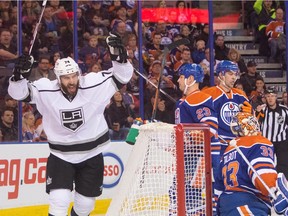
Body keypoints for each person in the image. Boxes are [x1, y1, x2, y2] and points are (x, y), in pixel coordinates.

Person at [7, 33, 133, 216]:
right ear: (58, 78)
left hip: (92, 154)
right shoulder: (46, 89)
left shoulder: (92, 84)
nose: (72, 81)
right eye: (66, 78)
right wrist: (18, 77)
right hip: (61, 155)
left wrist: (120, 59)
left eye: (74, 76)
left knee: (85, 206)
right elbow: (18, 94)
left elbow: (122, 77)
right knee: (59, 201)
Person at [170, 63, 221, 214]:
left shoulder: (198, 98)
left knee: (190, 199)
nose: (178, 80)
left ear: (190, 78)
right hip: (191, 158)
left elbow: (210, 128)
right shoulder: (185, 101)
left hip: (200, 159)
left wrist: (186, 138)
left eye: (180, 77)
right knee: (179, 196)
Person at [215, 112, 277, 215]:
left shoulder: (227, 151)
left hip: (226, 204)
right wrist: (275, 194)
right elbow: (264, 177)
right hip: (248, 204)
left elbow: (218, 186)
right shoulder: (258, 141)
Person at [202, 60, 250, 156]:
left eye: (235, 74)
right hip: (217, 145)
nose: (233, 77)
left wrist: (250, 115)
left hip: (238, 143)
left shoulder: (241, 95)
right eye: (230, 74)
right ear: (221, 75)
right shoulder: (208, 94)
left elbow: (249, 123)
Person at [256, 86, 288, 178]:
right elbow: (256, 124)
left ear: (276, 97)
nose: (270, 98)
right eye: (268, 96)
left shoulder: (284, 110)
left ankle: (284, 185)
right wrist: (257, 113)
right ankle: (266, 184)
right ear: (265, 97)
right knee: (265, 164)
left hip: (282, 142)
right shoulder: (261, 109)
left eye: (272, 96)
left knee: (283, 165)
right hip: (266, 142)